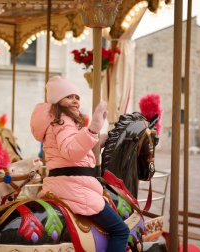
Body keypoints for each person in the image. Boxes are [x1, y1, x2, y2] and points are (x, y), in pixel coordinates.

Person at [30, 76, 130, 252]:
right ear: (57, 100)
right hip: (74, 187)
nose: (75, 100)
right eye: (69, 97)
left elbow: (79, 153)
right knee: (121, 230)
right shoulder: (63, 121)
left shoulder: (60, 122)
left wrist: (101, 139)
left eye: (77, 97)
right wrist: (93, 128)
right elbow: (70, 151)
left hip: (65, 183)